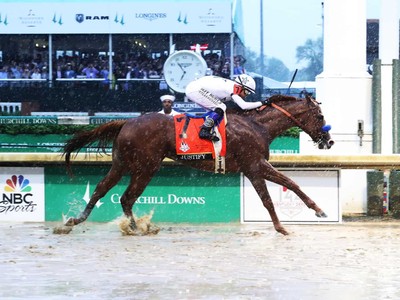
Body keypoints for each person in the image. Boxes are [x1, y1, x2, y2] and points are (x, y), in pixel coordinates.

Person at [185, 74, 269, 141]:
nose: (246, 95)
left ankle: (205, 128)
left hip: (195, 88)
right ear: (240, 87)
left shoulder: (233, 86)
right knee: (221, 106)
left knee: (216, 109)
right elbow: (243, 106)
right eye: (247, 92)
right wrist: (262, 102)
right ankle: (204, 130)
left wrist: (257, 107)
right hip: (195, 89)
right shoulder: (233, 88)